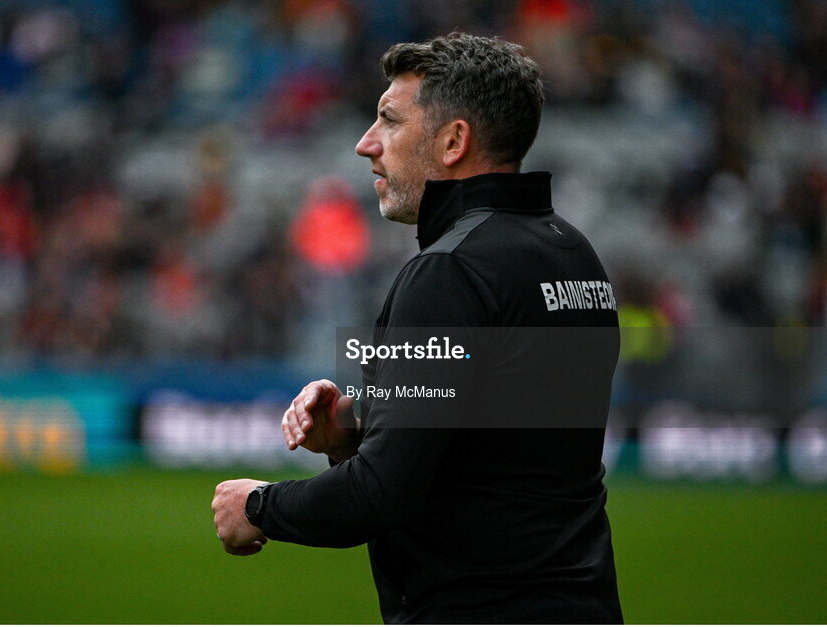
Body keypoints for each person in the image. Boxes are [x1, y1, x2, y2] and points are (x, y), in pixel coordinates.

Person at [212, 33, 623, 624]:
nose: (365, 145)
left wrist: (258, 504)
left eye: (388, 120)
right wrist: (353, 434)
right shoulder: (573, 254)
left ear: (454, 140)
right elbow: (502, 454)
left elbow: (381, 493)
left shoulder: (449, 270)